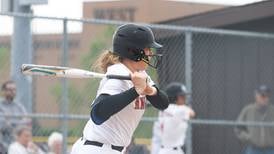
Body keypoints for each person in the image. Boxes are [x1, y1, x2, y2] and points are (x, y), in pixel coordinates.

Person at [71, 23, 169, 154]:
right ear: (133, 51)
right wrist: (135, 91)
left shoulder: (140, 74)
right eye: (147, 49)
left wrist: (149, 90)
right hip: (95, 149)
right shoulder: (119, 72)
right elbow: (97, 114)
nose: (151, 53)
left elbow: (163, 103)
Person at [235, 85, 274, 154]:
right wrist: (249, 137)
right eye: (262, 96)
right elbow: (238, 128)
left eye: (267, 96)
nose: (265, 98)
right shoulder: (248, 110)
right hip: (253, 149)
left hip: (271, 149)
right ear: (256, 96)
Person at [158, 82, 195, 154]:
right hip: (173, 151)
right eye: (181, 96)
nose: (184, 98)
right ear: (174, 97)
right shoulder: (180, 110)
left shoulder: (164, 109)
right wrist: (184, 107)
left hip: (164, 150)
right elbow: (192, 113)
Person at [0, 80, 31, 149]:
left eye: (14, 90)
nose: (13, 92)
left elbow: (27, 121)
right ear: (3, 91)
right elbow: (2, 124)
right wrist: (19, 123)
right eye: (10, 90)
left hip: (18, 140)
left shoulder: (19, 106)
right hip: (3, 141)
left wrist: (10, 121)